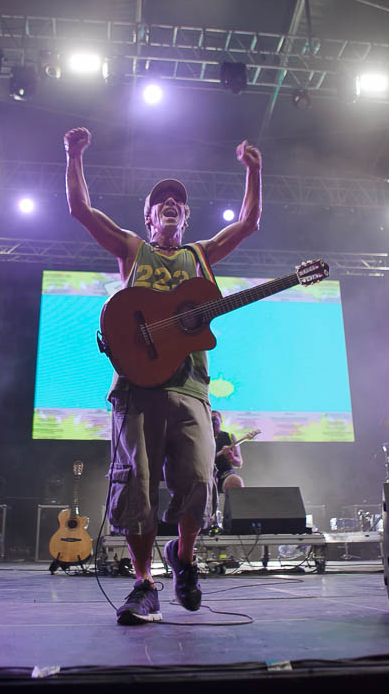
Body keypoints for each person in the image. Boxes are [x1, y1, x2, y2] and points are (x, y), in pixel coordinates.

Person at [64, 126, 262, 625]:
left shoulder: (201, 254)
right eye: (161, 202)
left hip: (192, 387)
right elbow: (81, 212)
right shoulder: (133, 249)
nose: (171, 204)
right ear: (149, 217)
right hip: (136, 387)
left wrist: (253, 171)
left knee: (199, 481)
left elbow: (249, 223)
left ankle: (184, 557)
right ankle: (144, 583)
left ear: (186, 216)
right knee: (137, 487)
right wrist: (73, 155)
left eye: (178, 202)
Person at [212, 411, 244, 493]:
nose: (213, 421)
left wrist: (231, 457)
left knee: (235, 481)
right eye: (211, 419)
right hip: (208, 475)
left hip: (225, 474)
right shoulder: (202, 438)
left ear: (221, 421)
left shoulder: (230, 437)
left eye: (215, 418)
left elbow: (239, 463)